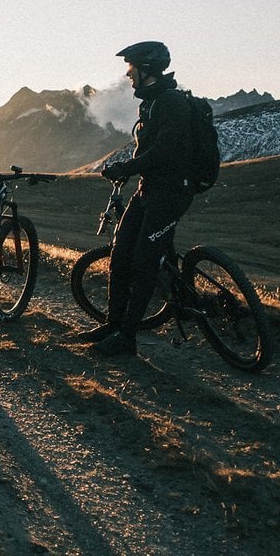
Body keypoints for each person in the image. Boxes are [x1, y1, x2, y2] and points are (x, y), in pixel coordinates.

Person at [76, 40, 194, 356]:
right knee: (120, 255)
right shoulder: (151, 102)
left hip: (171, 194)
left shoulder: (171, 103)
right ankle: (112, 326)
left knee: (143, 263)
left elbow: (164, 151)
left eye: (131, 67)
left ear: (147, 69)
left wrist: (128, 165)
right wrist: (127, 170)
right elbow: (148, 151)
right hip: (148, 191)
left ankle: (127, 338)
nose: (128, 74)